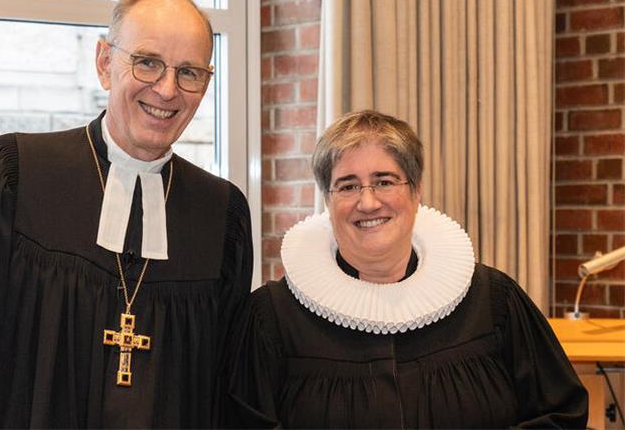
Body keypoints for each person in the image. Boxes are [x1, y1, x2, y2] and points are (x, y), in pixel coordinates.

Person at [0, 0, 252, 428]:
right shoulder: (11, 178)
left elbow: (224, 397)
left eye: (190, 72)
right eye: (148, 62)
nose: (168, 89)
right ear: (104, 63)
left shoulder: (220, 214)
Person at [222, 110, 587, 428]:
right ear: (327, 202)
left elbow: (563, 415)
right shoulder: (272, 319)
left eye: (384, 181)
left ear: (416, 192)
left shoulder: (493, 302)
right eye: (347, 186)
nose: (368, 201)